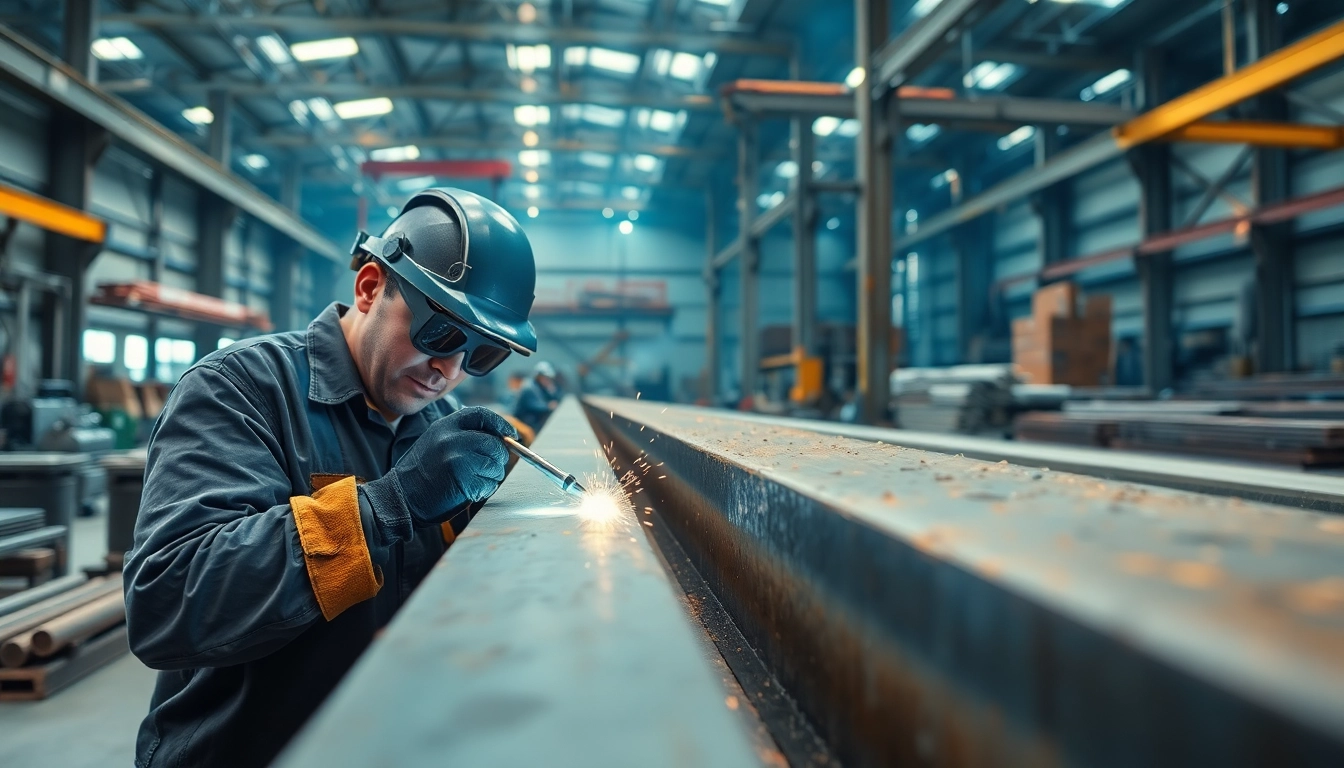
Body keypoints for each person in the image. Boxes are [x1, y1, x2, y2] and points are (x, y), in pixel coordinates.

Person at [123, 188, 539, 768]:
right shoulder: (239, 391)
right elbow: (168, 603)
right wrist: (386, 507)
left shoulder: (444, 433)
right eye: (440, 334)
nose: (448, 370)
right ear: (370, 288)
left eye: (481, 355)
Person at [513, 360, 562, 433]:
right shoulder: (529, 387)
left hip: (531, 422)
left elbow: (551, 398)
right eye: (545, 378)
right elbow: (535, 406)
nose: (547, 381)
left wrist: (551, 391)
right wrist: (548, 406)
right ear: (538, 377)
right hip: (523, 422)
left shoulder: (539, 387)